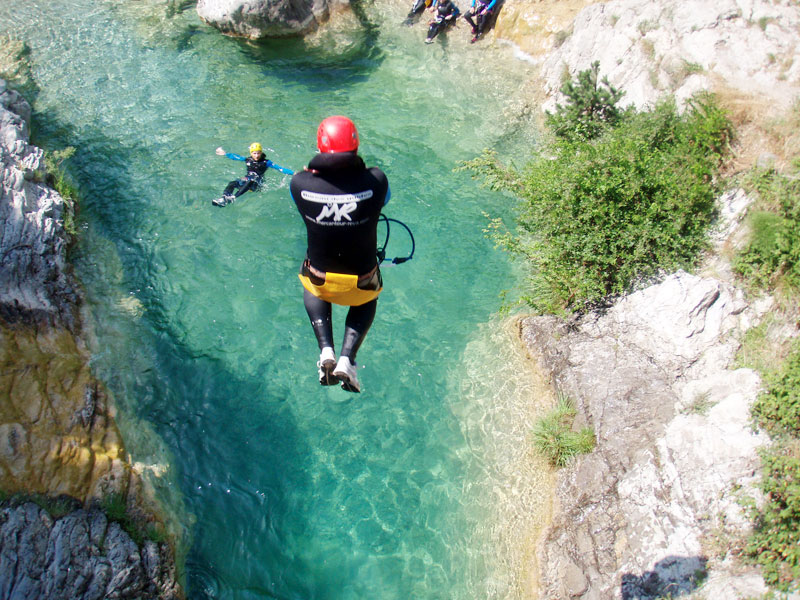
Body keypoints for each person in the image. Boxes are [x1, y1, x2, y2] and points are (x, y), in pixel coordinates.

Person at [290, 116, 390, 393]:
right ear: (356, 145)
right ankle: (348, 359)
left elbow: (300, 197)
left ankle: (326, 351)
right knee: (368, 298)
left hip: (320, 281)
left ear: (320, 146)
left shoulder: (299, 184)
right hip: (362, 282)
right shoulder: (377, 181)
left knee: (310, 286)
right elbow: (386, 198)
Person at [212, 142, 292, 207]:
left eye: (258, 153)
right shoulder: (248, 160)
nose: (256, 155)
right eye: (254, 153)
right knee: (232, 183)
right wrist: (225, 154)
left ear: (261, 152)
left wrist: (293, 173)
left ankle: (233, 197)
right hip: (246, 182)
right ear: (251, 153)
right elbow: (236, 157)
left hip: (256, 185)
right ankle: (224, 198)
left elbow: (280, 168)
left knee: (251, 180)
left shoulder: (266, 162)